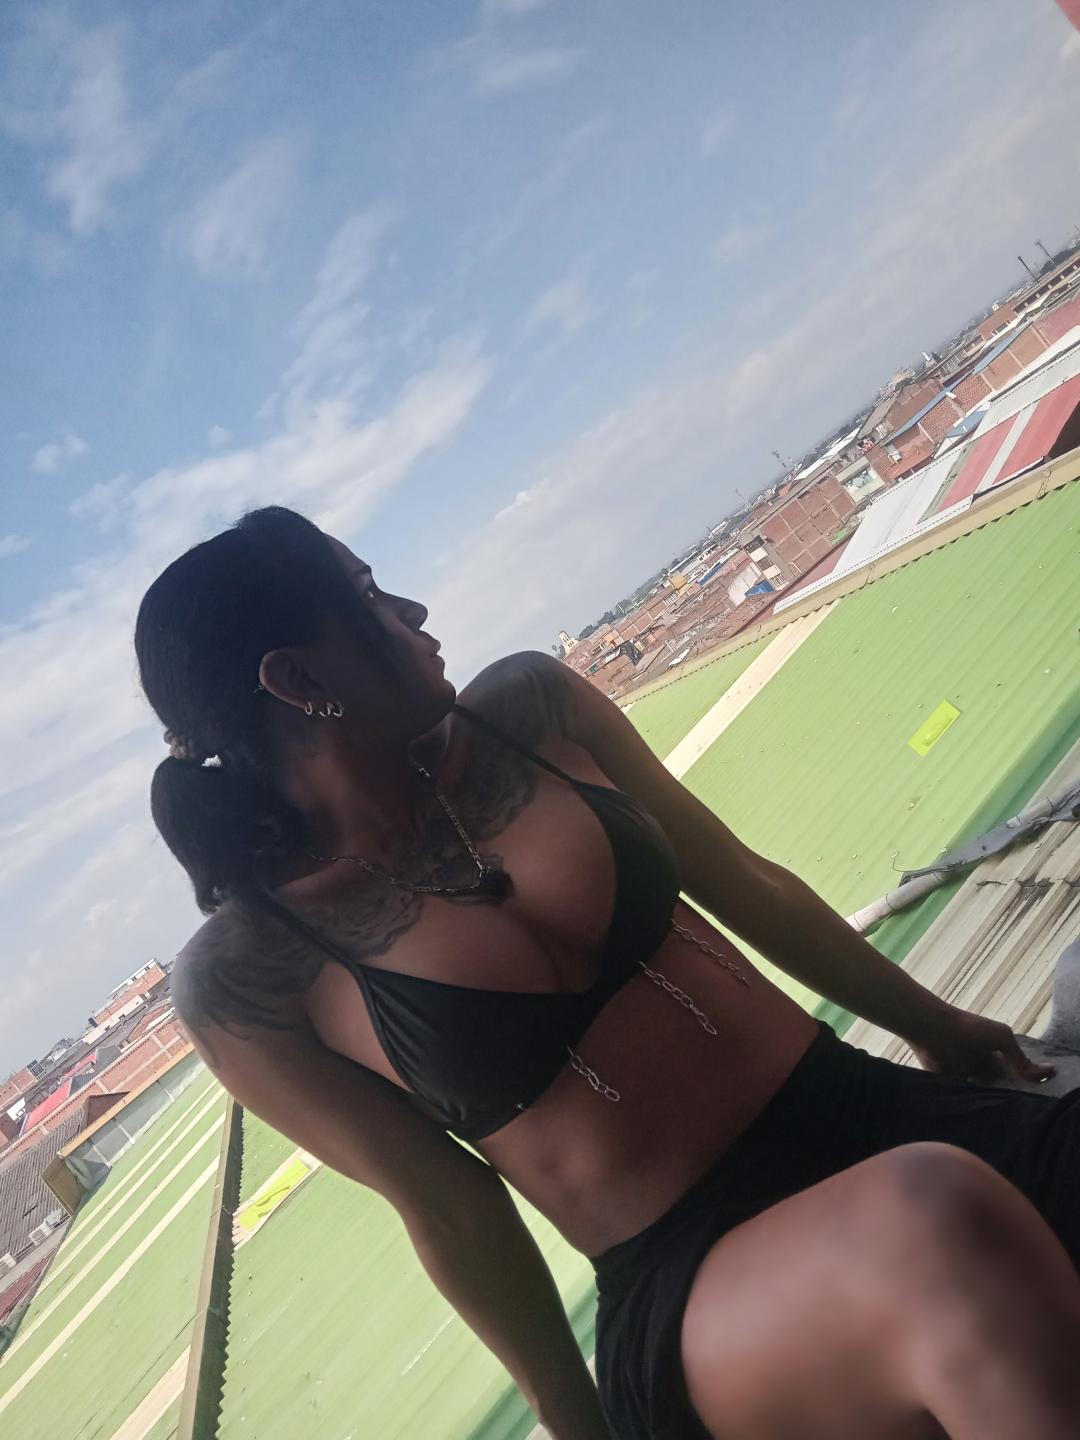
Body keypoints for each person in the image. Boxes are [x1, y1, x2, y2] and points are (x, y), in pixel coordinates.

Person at [136, 505, 1080, 1440]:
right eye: (371, 597)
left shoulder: (532, 712)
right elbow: (452, 1211)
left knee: (949, 1205)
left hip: (869, 1111)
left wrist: (937, 1026)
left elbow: (748, 884)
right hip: (693, 1280)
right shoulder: (249, 982)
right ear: (297, 679)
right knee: (931, 1228)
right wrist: (574, 1420)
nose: (414, 613)